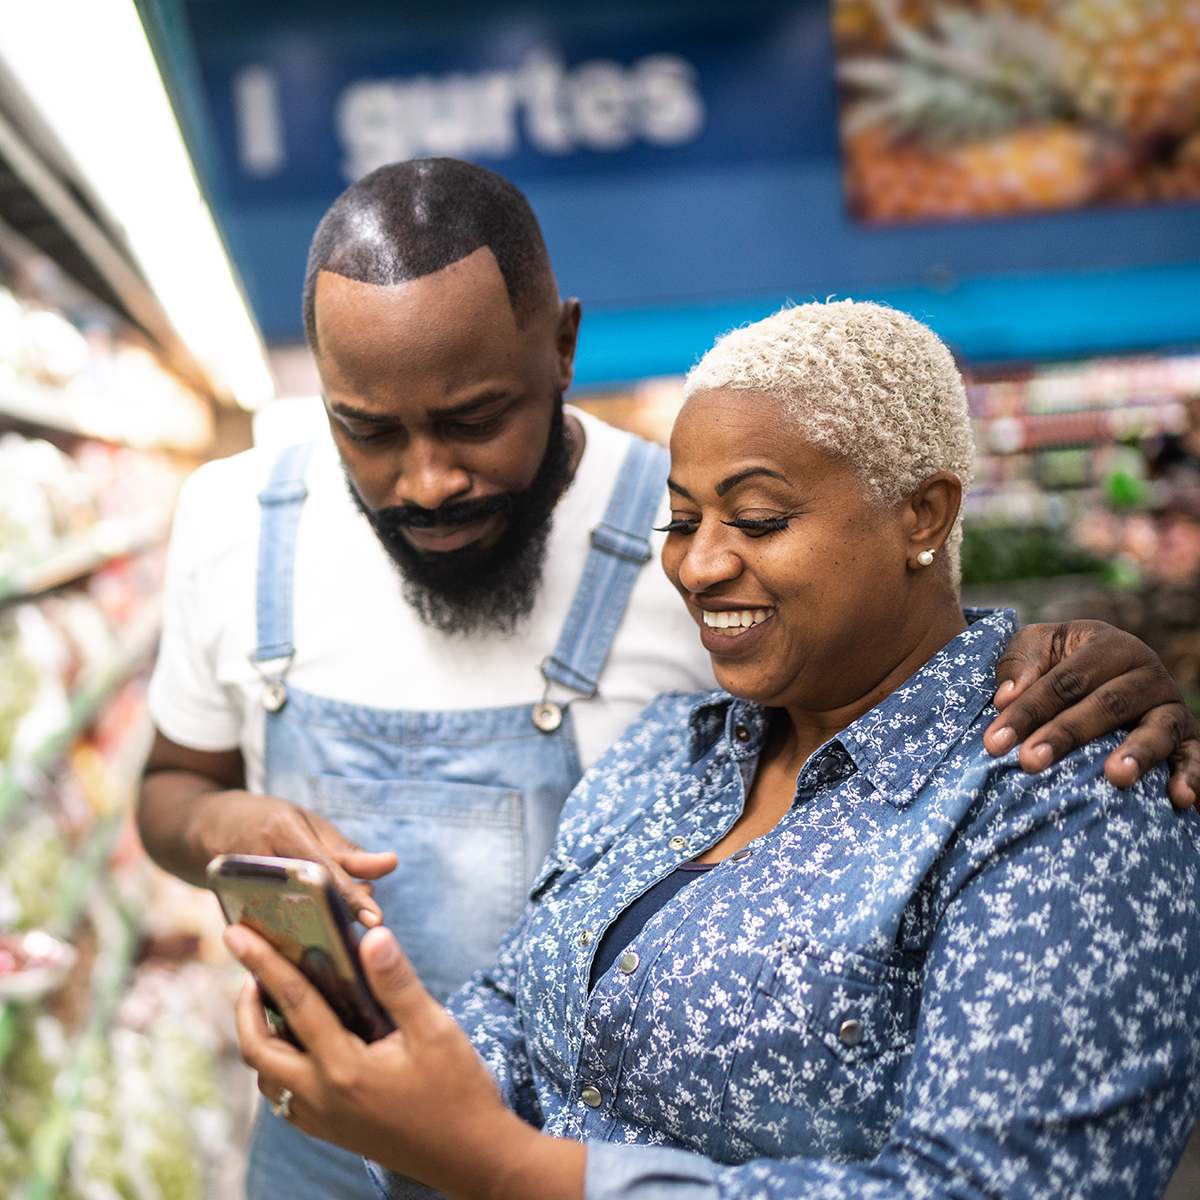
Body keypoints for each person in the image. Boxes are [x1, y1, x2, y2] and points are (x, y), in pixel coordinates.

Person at [139, 161, 1199, 1200]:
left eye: (471, 418)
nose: (427, 478)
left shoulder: (1043, 798)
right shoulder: (677, 745)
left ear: (561, 350)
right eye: (366, 428)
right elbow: (516, 1000)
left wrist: (497, 1161)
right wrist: (391, 1075)